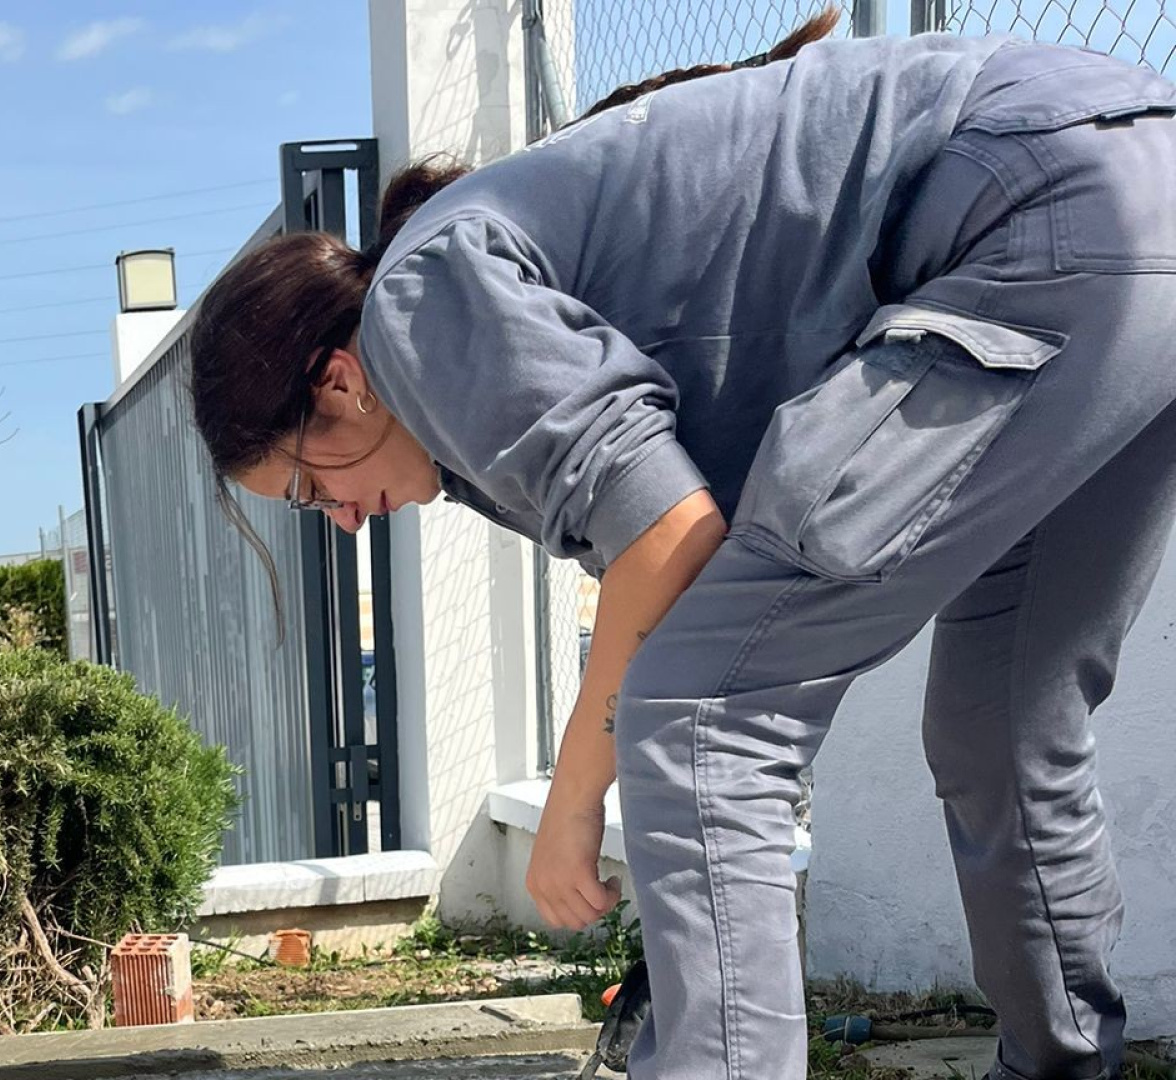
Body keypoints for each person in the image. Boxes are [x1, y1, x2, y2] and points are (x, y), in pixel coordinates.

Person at [189, 9, 1176, 1080]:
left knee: (700, 715)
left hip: (1033, 214)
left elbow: (669, 539)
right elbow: (686, 571)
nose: (342, 521)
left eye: (307, 488)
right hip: (1136, 178)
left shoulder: (416, 310)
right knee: (1005, 722)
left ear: (338, 381)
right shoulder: (470, 328)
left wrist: (574, 803)